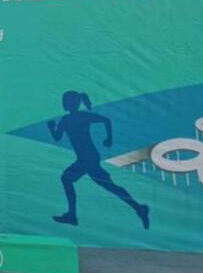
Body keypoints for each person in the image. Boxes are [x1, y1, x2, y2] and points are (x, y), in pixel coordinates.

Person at [47, 91, 149, 229]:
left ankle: (72, 215)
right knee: (109, 186)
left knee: (67, 179)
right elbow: (58, 137)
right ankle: (139, 208)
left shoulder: (79, 117)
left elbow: (106, 120)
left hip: (88, 158)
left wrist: (109, 138)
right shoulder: (68, 120)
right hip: (87, 157)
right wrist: (52, 129)